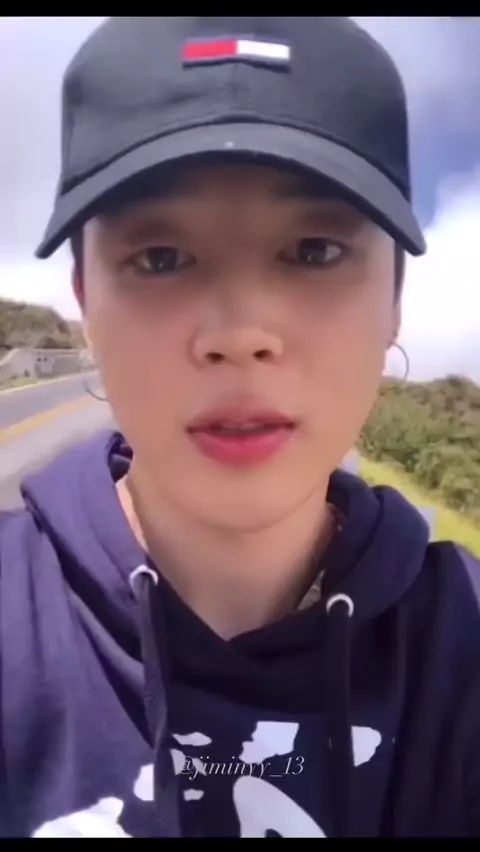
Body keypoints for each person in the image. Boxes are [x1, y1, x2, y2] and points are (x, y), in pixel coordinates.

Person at [1, 16, 479, 839]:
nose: (240, 332)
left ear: (396, 299)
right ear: (84, 299)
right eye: (160, 258)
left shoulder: (463, 644)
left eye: (316, 250)